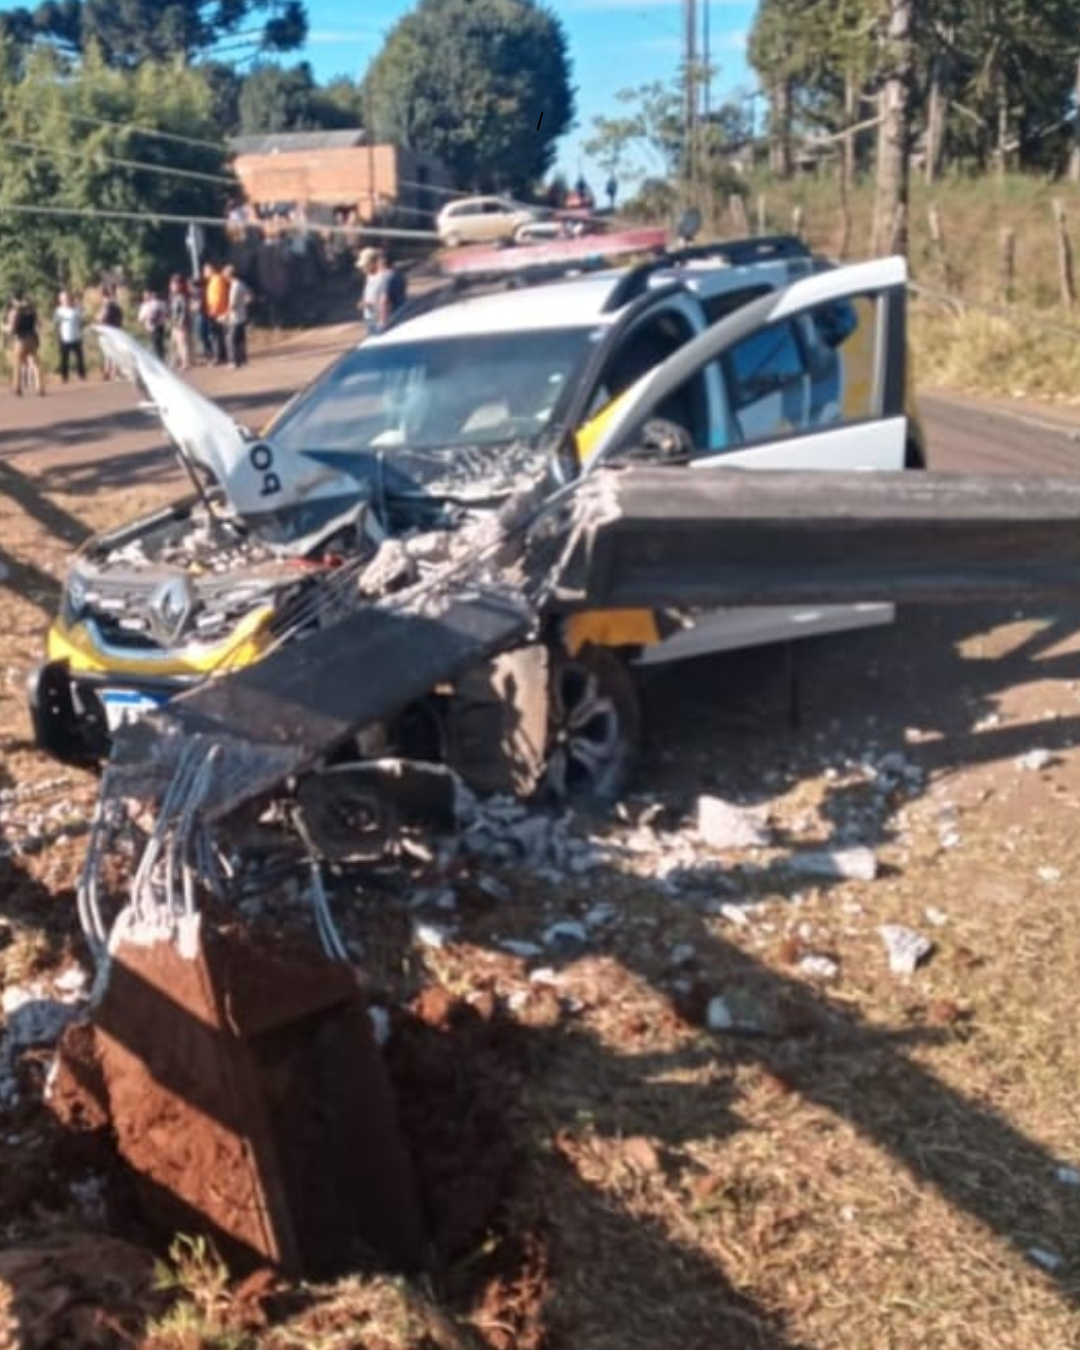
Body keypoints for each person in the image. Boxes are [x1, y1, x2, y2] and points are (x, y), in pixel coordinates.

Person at [6, 290, 44, 395]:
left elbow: (12, 329)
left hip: (20, 340)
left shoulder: (14, 311)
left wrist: (4, 328)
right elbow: (40, 324)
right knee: (36, 364)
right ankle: (40, 387)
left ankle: (17, 387)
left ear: (14, 300)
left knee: (17, 364)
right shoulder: (32, 310)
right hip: (32, 338)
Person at [53, 289, 86, 382]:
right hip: (64, 338)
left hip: (76, 337)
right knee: (64, 359)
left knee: (79, 358)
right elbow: (56, 325)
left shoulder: (76, 309)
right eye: (63, 299)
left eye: (67, 298)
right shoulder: (58, 311)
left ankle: (82, 375)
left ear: (70, 298)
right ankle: (64, 377)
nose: (65, 300)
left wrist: (81, 329)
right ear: (60, 300)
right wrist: (58, 336)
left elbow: (82, 322)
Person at [224, 264, 252, 368]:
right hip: (242, 316)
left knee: (231, 340)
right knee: (240, 340)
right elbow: (249, 296)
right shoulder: (241, 283)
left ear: (229, 275)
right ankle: (243, 360)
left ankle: (234, 362)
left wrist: (225, 315)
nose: (224, 276)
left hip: (235, 318)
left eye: (225, 274)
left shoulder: (234, 286)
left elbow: (232, 304)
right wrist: (245, 303)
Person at [97, 285, 123, 380]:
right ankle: (110, 372)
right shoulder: (114, 304)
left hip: (109, 330)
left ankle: (111, 372)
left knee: (110, 353)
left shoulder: (108, 304)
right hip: (113, 330)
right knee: (110, 352)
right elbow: (119, 318)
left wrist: (98, 318)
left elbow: (102, 316)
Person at [167, 274, 191, 371]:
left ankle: (186, 363)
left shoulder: (181, 297)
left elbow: (184, 311)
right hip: (174, 324)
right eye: (171, 285)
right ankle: (174, 362)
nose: (171, 287)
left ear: (179, 285)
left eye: (174, 285)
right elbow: (171, 311)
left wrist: (181, 323)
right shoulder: (173, 297)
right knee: (173, 344)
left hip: (180, 324)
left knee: (182, 344)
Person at [137, 288, 168, 361]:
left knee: (158, 344)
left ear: (151, 295)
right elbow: (140, 318)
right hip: (149, 328)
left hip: (158, 327)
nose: (145, 297)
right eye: (144, 295)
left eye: (147, 295)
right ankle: (159, 359)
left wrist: (158, 316)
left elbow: (165, 313)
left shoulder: (158, 303)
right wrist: (146, 317)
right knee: (154, 345)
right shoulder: (144, 306)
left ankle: (161, 359)